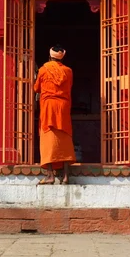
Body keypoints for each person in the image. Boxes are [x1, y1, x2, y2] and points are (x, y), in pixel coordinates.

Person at [34, 44, 76, 185]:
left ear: (50, 56)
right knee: (64, 138)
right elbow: (69, 87)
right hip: (63, 107)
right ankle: (65, 176)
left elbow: (36, 88)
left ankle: (50, 175)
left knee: (48, 138)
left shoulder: (43, 70)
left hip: (48, 106)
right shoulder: (68, 71)